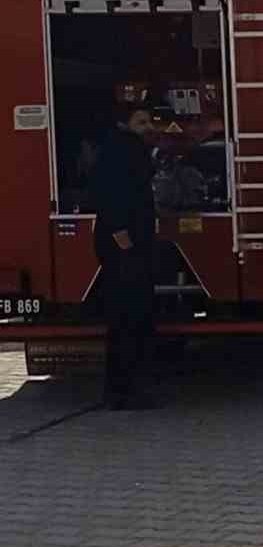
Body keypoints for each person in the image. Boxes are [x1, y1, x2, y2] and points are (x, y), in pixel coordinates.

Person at [91, 107, 159, 412]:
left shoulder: (122, 147)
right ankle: (125, 391)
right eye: (141, 122)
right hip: (123, 246)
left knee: (128, 318)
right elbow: (110, 195)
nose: (148, 127)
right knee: (128, 318)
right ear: (125, 124)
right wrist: (124, 240)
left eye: (149, 121)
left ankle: (122, 390)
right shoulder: (122, 149)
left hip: (126, 245)